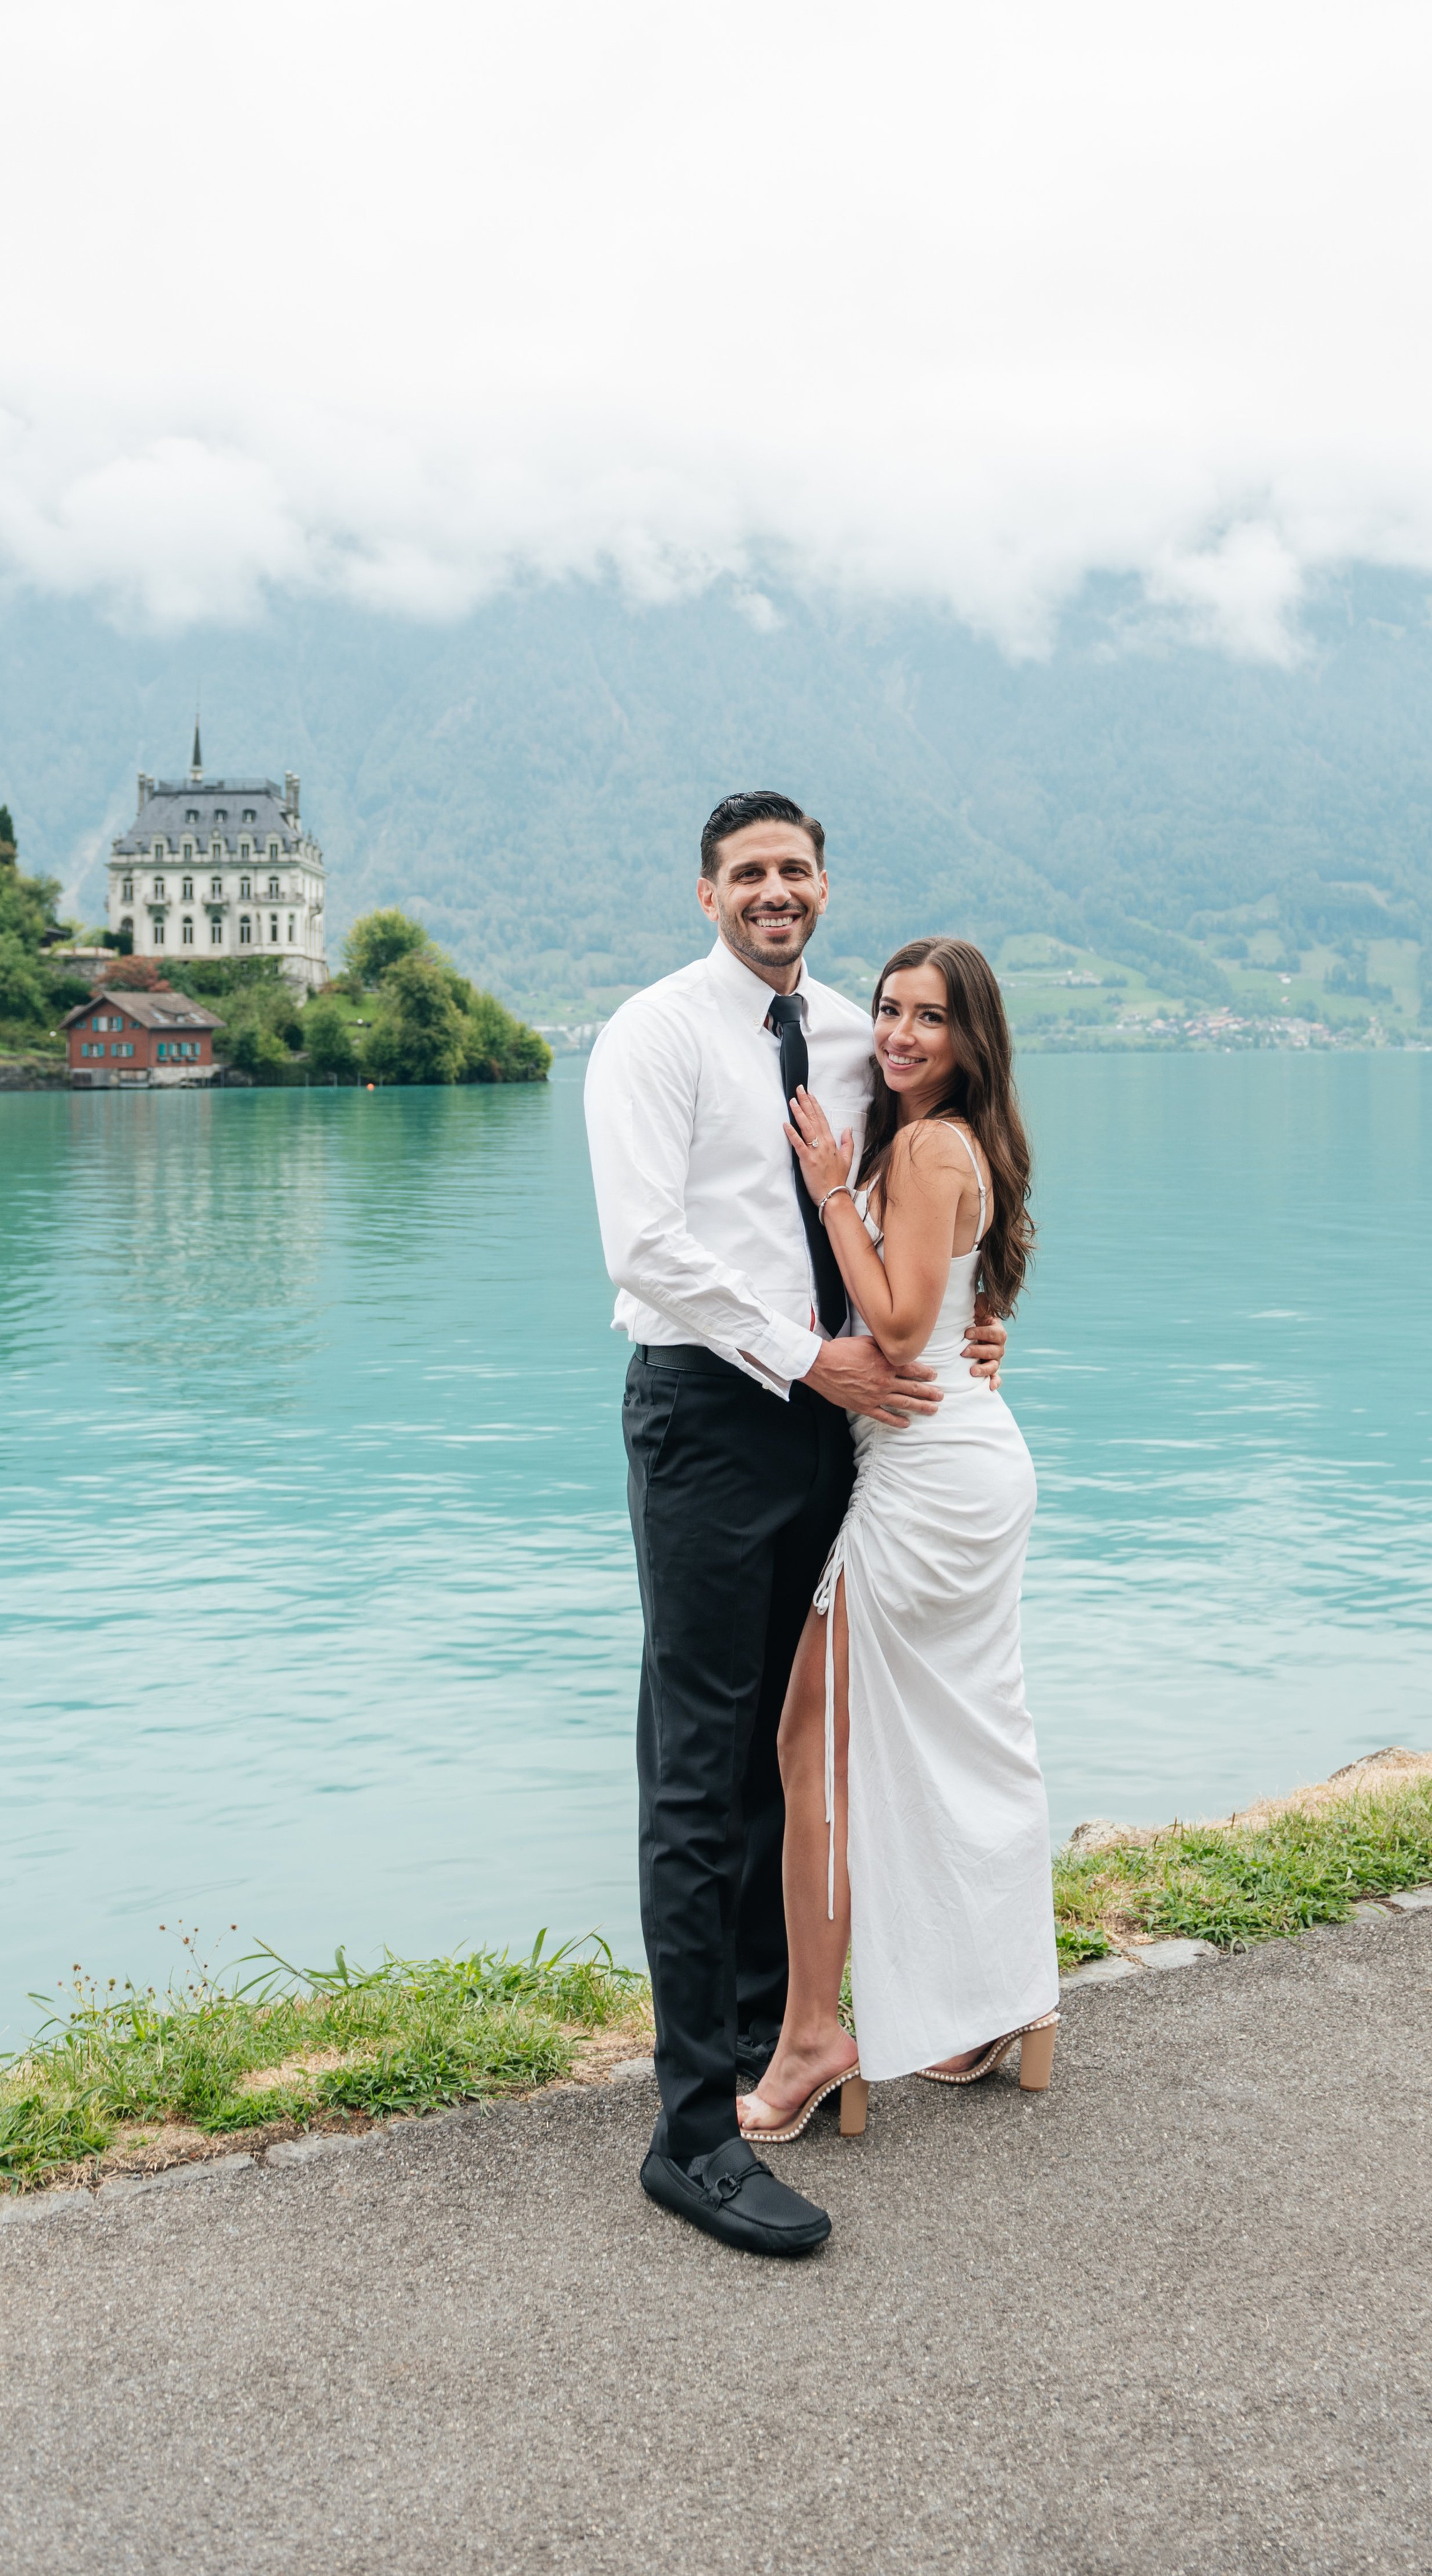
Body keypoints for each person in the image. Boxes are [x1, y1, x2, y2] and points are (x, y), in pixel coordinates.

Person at [584, 798, 1007, 2258]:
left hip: (837, 1431)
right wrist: (802, 1353)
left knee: (788, 1749)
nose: (775, 891)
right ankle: (688, 2130)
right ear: (705, 890)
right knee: (697, 1763)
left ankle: (785, 2040)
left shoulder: (852, 1034)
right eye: (748, 872)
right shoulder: (651, 1035)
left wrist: (974, 1331)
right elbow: (645, 1245)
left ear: (823, 887)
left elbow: (935, 1197)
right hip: (707, 1416)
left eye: (795, 870)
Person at [736, 937, 1058, 2148]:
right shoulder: (953, 1140)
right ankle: (1000, 2004)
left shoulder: (922, 1143)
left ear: (972, 1038)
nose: (901, 1034)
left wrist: (827, 1183)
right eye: (887, 1009)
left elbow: (905, 1317)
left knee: (810, 1741)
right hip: (964, 1460)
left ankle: (816, 2033)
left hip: (929, 1480)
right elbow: (967, 1302)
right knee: (971, 1733)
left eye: (931, 1017)